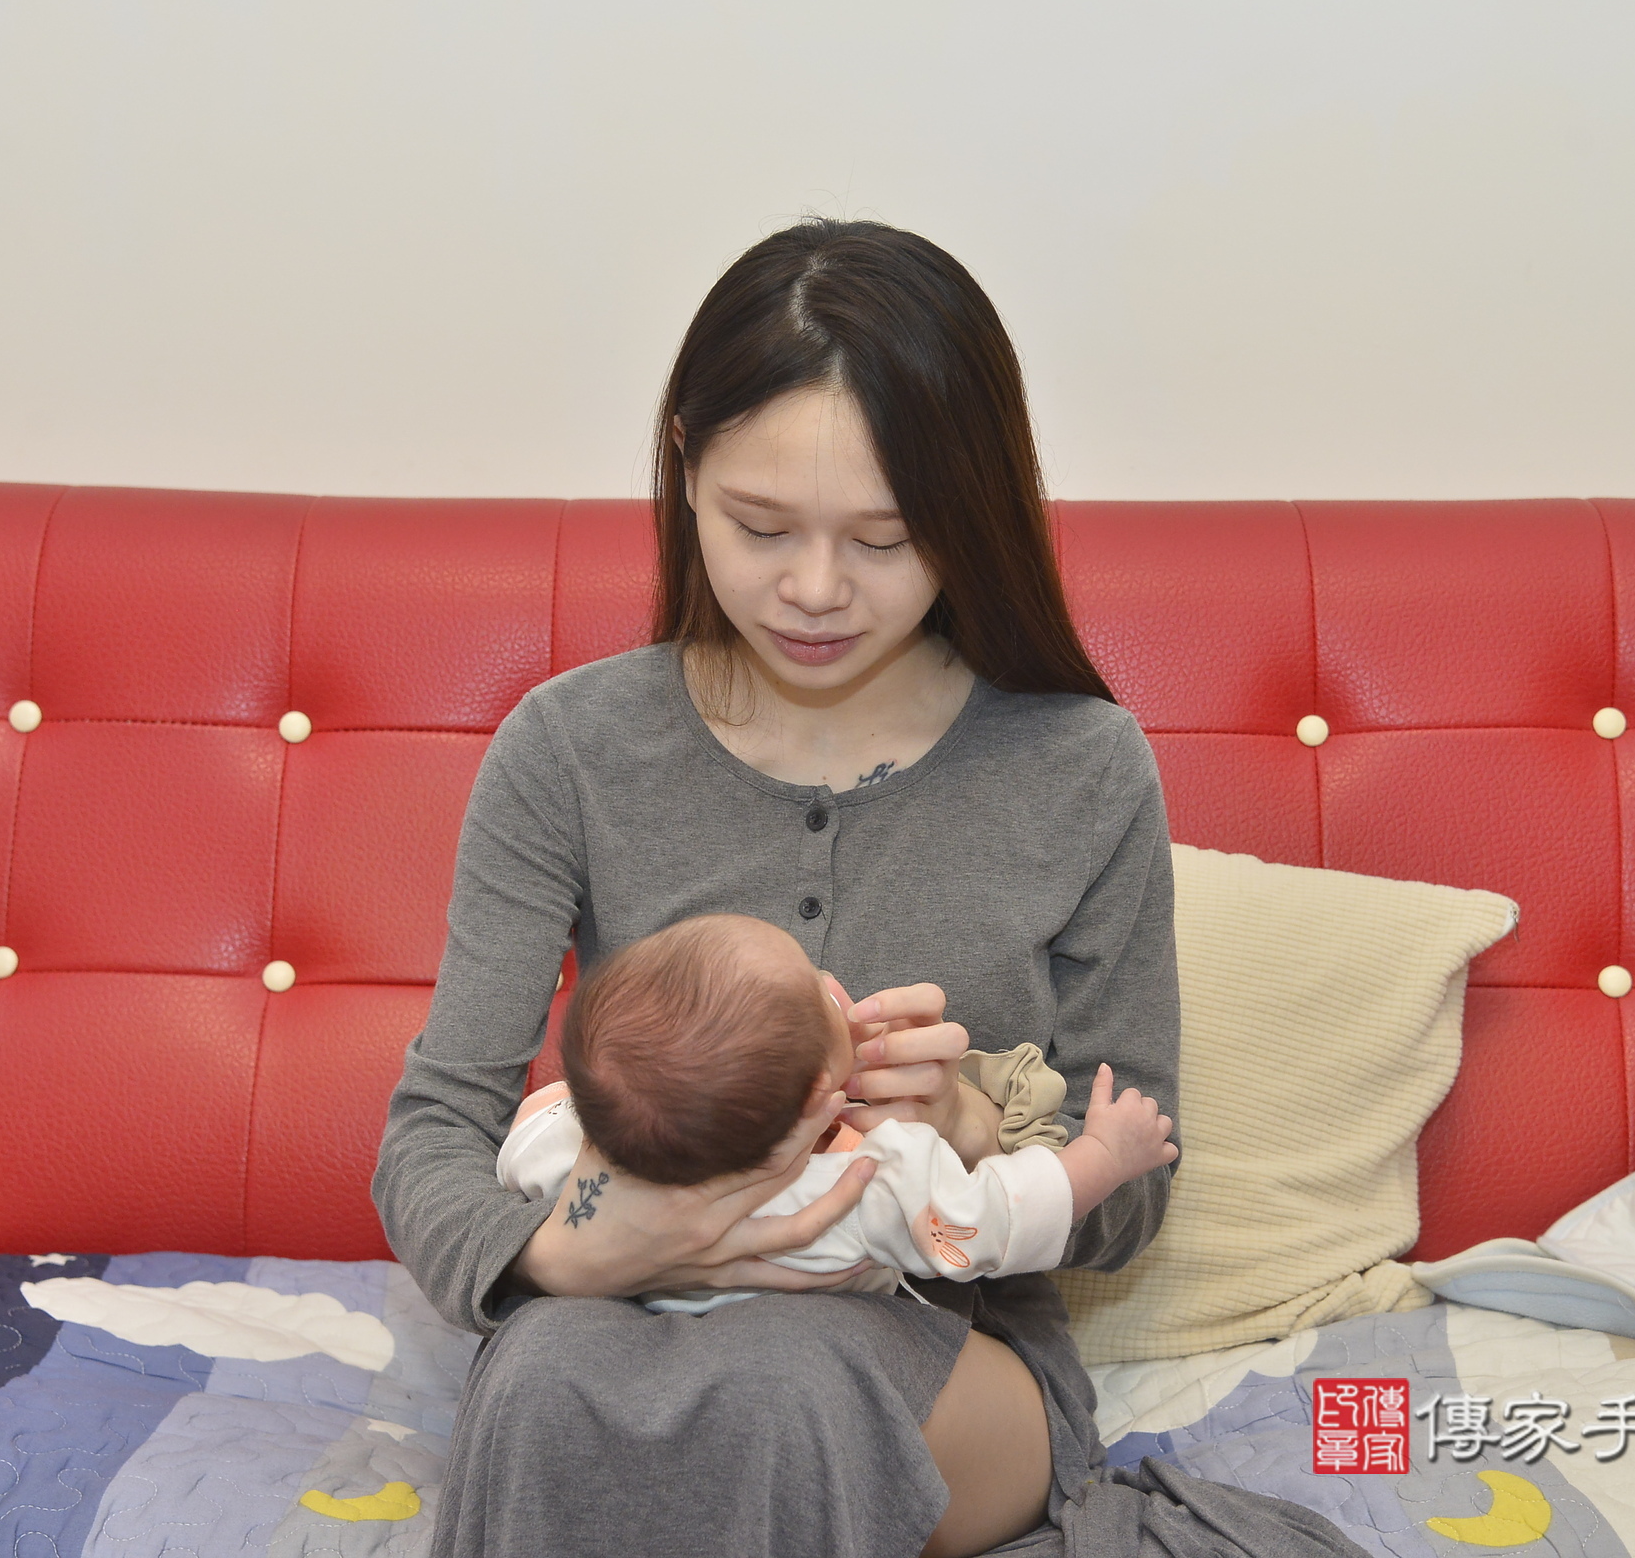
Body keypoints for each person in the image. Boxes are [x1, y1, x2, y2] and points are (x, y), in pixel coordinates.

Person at [374, 219, 1363, 1558]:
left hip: (953, 1357)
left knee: (785, 1379)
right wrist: (569, 1253)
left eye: (886, 539)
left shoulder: (1078, 766)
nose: (815, 591)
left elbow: (1129, 1194)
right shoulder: (570, 749)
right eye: (760, 526)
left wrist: (970, 1123)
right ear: (683, 464)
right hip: (614, 1320)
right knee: (542, 1375)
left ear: (970, 516)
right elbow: (435, 1132)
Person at [498, 912, 1181, 1314]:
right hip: (813, 1347)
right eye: (814, 987)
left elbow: (523, 1148)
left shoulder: (574, 1142)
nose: (829, 978)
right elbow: (995, 1218)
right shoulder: (870, 1182)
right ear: (815, 1098)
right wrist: (1102, 1157)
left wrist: (577, 1124)